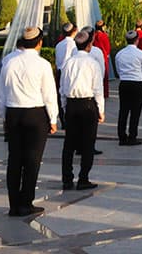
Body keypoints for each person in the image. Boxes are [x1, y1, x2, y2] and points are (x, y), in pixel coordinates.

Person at [0, 26, 58, 217]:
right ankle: (26, 202)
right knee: (32, 160)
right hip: (35, 114)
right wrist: (53, 118)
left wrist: (4, 117)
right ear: (39, 43)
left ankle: (14, 204)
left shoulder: (9, 62)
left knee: (14, 159)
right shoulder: (42, 64)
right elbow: (49, 94)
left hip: (13, 112)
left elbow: (2, 94)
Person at [59, 29, 104, 190]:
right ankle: (83, 178)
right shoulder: (92, 63)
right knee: (88, 143)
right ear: (89, 45)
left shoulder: (68, 63)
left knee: (69, 144)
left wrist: (64, 107)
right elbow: (97, 89)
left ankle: (67, 178)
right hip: (87, 105)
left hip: (71, 104)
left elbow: (62, 88)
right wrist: (101, 110)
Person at [113, 29, 142, 146]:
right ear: (137, 40)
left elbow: (118, 70)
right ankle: (132, 136)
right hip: (137, 83)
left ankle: (122, 136)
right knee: (135, 111)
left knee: (123, 110)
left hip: (124, 83)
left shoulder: (119, 54)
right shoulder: (141, 54)